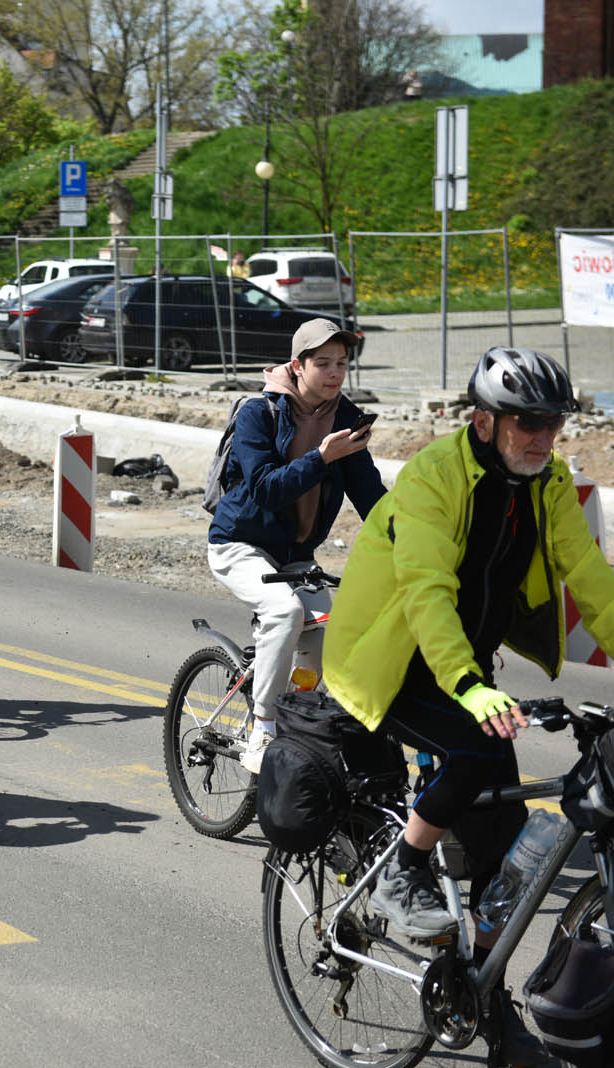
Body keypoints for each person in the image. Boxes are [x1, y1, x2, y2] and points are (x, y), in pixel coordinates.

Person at [323, 347, 614, 1066]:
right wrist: (469, 684)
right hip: (393, 660)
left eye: (553, 424)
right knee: (476, 749)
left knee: (507, 856)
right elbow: (424, 590)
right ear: (484, 422)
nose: (544, 439)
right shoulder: (432, 479)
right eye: (528, 424)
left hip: (462, 666)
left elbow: (591, 578)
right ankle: (401, 870)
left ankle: (486, 1007)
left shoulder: (546, 485)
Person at [207, 319, 385, 773]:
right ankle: (263, 728)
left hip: (295, 556)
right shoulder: (257, 414)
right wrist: (321, 457)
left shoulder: (345, 418)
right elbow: (266, 489)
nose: (334, 373)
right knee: (285, 613)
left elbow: (369, 495)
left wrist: (413, 541)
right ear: (297, 365)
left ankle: (295, 716)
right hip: (238, 545)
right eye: (322, 363)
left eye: (342, 363)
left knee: (328, 632)